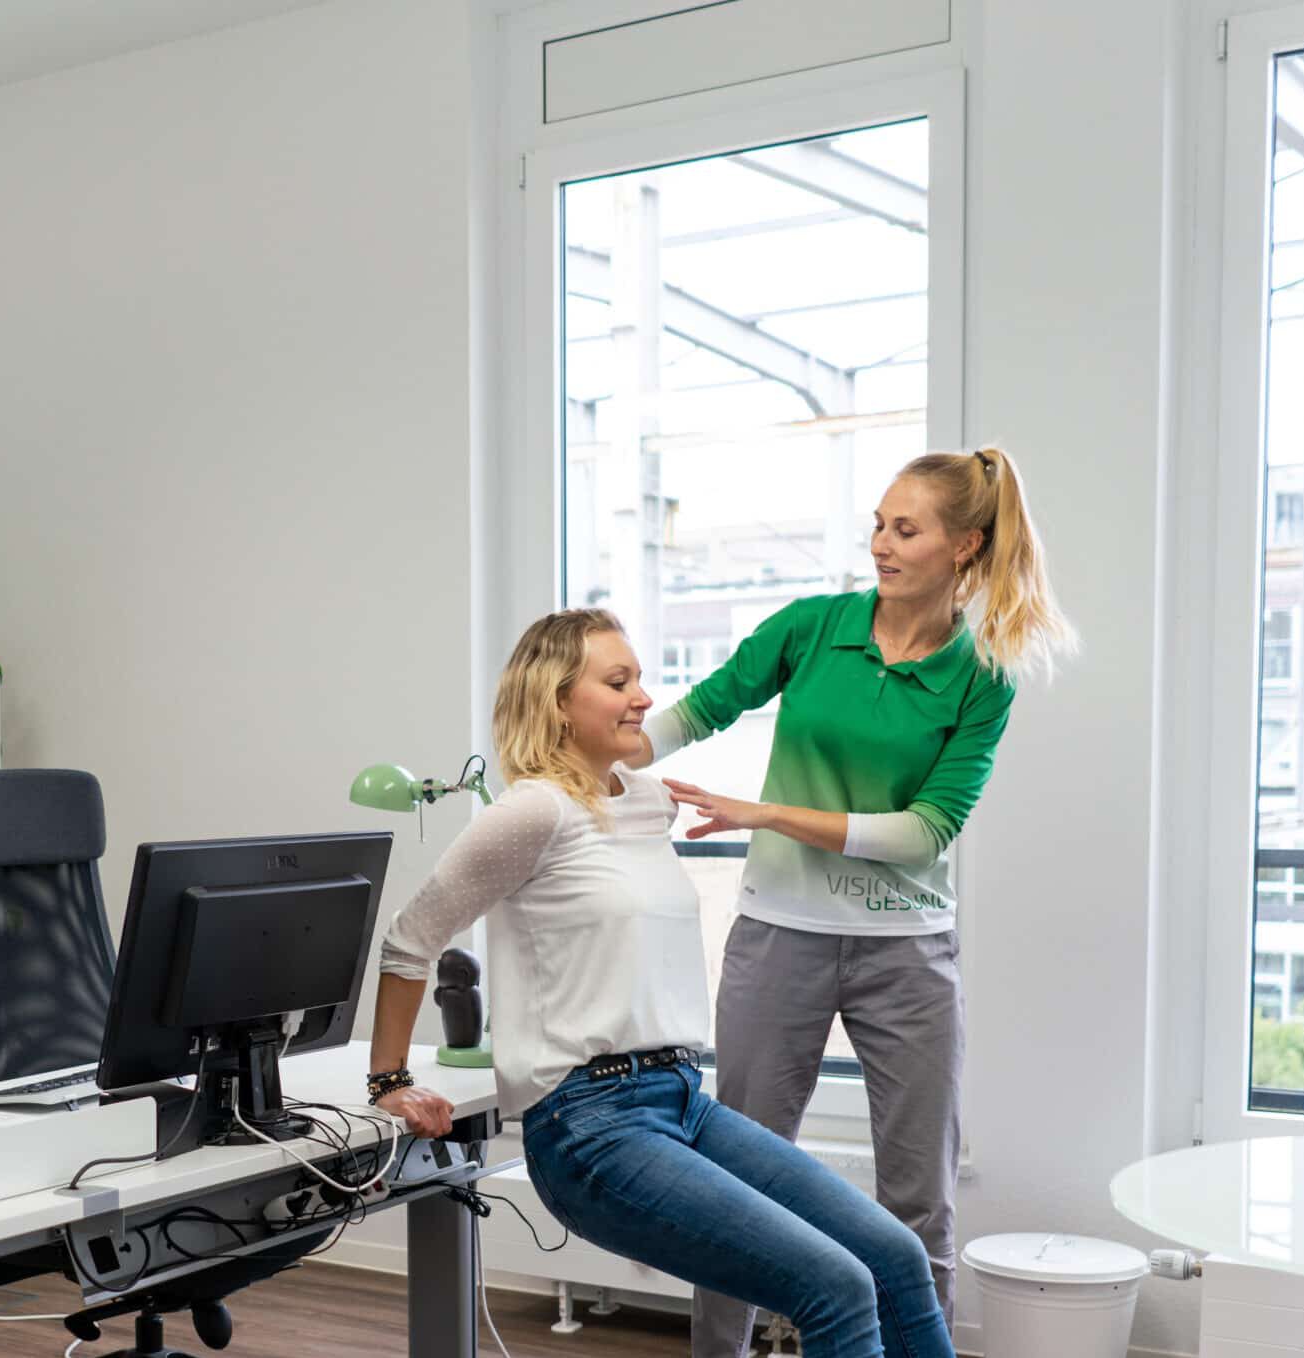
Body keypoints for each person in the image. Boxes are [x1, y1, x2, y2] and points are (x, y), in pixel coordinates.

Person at [367, 610, 954, 1358]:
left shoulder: (645, 802)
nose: (643, 697)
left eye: (640, 677)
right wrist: (388, 1077)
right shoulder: (530, 812)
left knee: (896, 1259)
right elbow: (410, 939)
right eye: (618, 682)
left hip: (679, 1098)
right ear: (555, 703)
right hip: (587, 1128)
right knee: (836, 1288)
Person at [652, 447, 1072, 1357]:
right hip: (780, 940)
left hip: (907, 955)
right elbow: (699, 711)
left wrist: (764, 812)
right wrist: (583, 745)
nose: (879, 544)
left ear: (964, 545)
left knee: (918, 1202)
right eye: (878, 523)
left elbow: (926, 831)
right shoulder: (812, 628)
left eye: (905, 529)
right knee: (732, 1185)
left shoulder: (982, 673)